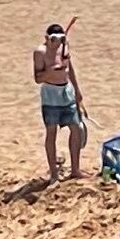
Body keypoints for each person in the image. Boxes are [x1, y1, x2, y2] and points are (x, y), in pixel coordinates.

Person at [33, 22, 86, 181]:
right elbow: (37, 78)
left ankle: (75, 169)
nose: (57, 42)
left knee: (76, 128)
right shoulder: (40, 52)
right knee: (52, 131)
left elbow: (70, 69)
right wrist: (50, 71)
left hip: (66, 92)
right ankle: (54, 174)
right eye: (54, 39)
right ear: (47, 39)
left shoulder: (64, 47)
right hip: (51, 94)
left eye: (61, 38)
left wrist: (77, 91)